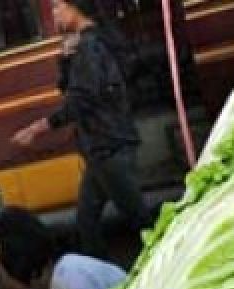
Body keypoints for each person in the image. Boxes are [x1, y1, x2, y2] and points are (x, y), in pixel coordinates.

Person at [10, 0, 151, 260]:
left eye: (57, 7)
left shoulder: (90, 46)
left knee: (141, 222)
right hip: (101, 149)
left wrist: (37, 128)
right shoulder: (87, 44)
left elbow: (80, 100)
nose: (53, 15)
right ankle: (101, 278)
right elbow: (73, 90)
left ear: (76, 8)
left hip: (108, 146)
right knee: (87, 224)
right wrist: (65, 60)